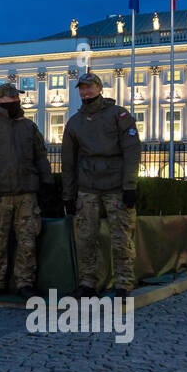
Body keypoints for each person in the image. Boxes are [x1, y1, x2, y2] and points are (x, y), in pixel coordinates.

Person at [61, 72, 141, 298]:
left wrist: (130, 185)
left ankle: (124, 282)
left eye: (89, 87)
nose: (85, 92)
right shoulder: (74, 122)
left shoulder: (119, 115)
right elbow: (68, 162)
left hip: (116, 186)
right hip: (88, 187)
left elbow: (132, 150)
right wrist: (68, 194)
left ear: (99, 88)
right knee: (86, 237)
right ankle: (88, 282)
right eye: (82, 88)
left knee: (121, 237)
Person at [0, 83, 54, 300]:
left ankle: (25, 283)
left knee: (27, 242)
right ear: (4, 100)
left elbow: (40, 156)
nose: (19, 100)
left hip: (27, 193)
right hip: (0, 194)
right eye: (16, 97)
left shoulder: (29, 127)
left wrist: (47, 182)